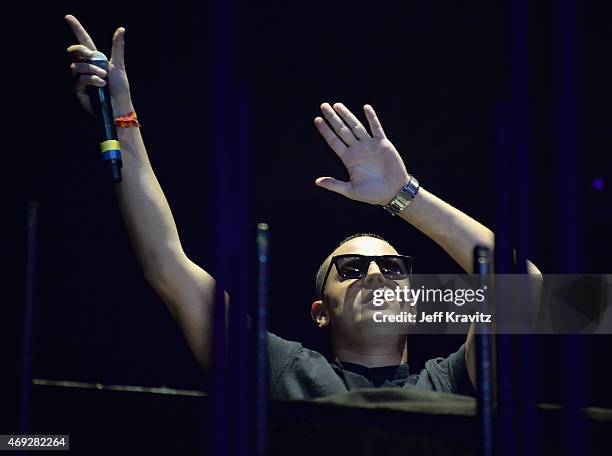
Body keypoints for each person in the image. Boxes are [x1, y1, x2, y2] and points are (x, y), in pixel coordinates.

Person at [65, 15, 542, 400]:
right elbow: (165, 260)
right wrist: (122, 121)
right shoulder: (279, 371)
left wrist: (405, 195)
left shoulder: (458, 381)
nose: (375, 275)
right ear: (320, 312)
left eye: (394, 269)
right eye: (352, 267)